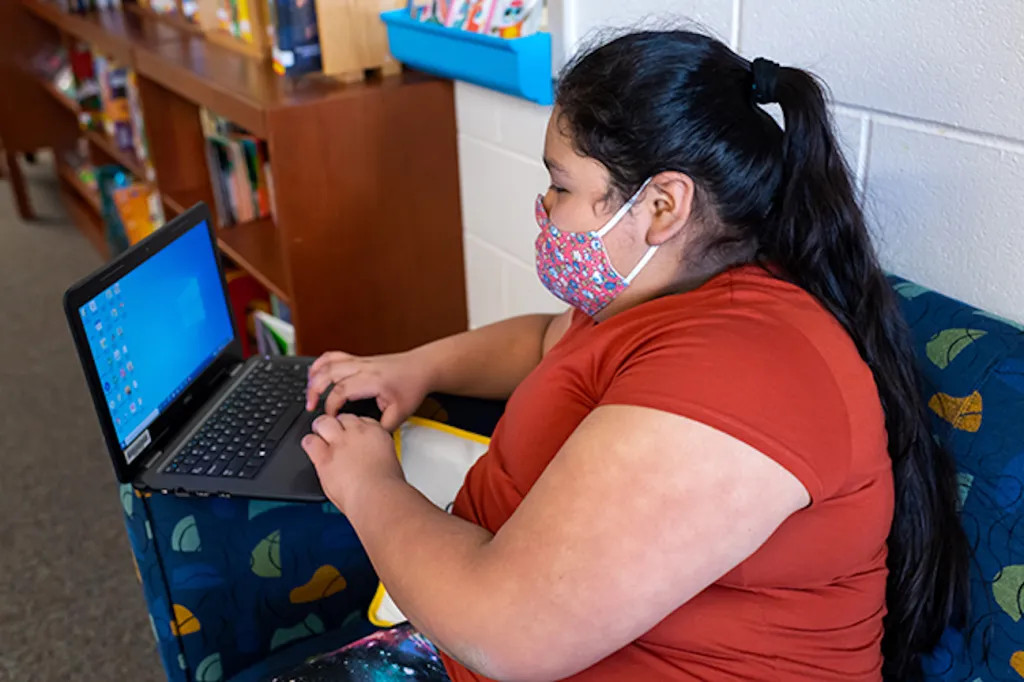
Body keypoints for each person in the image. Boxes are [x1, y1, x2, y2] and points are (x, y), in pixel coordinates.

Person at [277, 29, 968, 682]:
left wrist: (370, 485)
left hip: (492, 632)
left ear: (663, 206)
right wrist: (415, 366)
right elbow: (543, 342)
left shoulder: (747, 370)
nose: (544, 208)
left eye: (562, 186)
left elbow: (509, 629)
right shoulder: (654, 298)